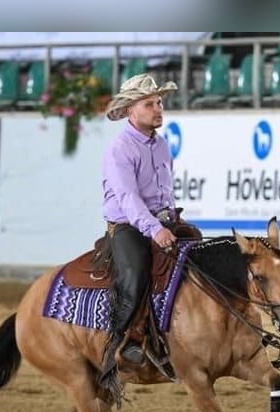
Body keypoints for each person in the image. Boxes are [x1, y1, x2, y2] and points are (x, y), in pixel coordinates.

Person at [98, 73, 181, 392]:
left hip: (161, 220)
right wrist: (155, 229)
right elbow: (128, 199)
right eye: (150, 104)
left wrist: (170, 221)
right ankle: (122, 343)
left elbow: (165, 190)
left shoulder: (161, 145)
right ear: (131, 111)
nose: (158, 109)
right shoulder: (120, 149)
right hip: (128, 226)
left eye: (159, 103)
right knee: (134, 276)